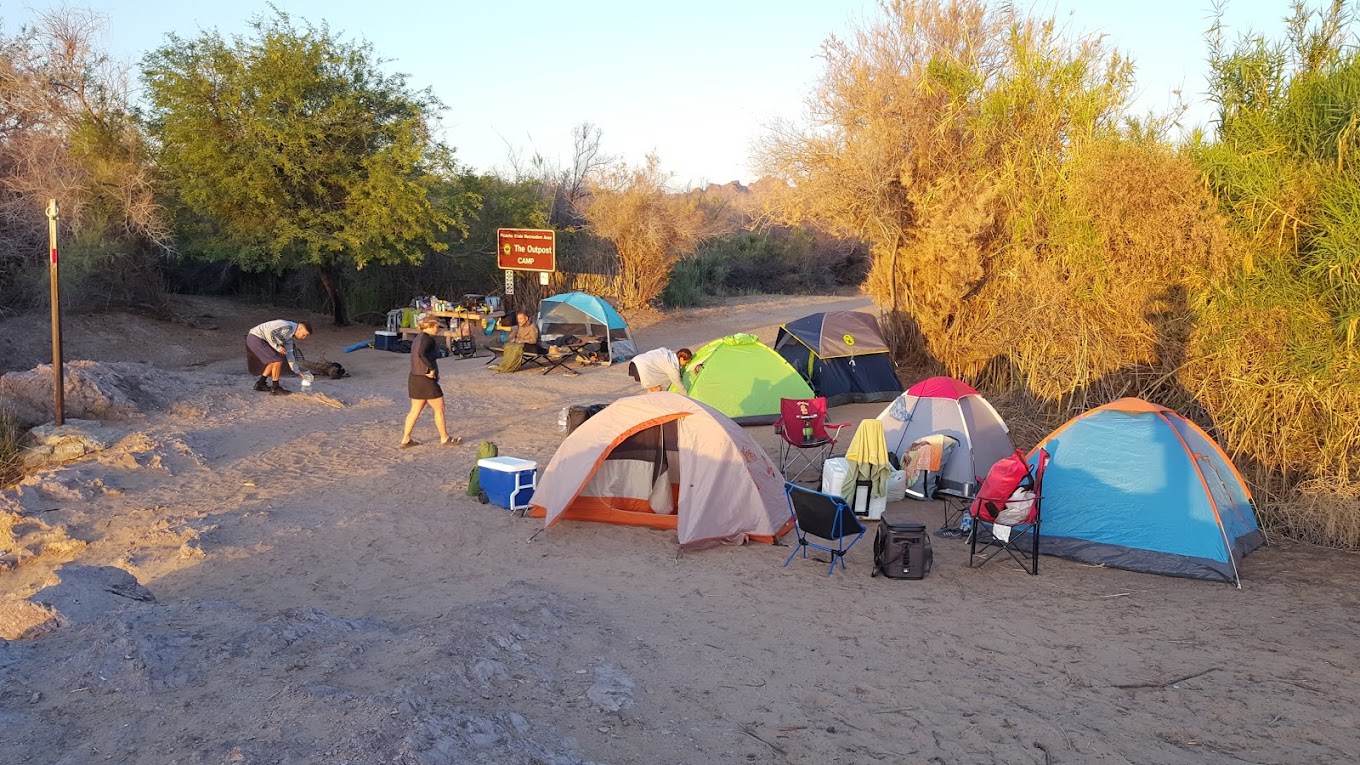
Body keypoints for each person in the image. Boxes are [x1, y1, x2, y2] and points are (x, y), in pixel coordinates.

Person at [400, 315, 461, 449]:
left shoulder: (418, 338)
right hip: (426, 380)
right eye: (436, 327)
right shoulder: (427, 339)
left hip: (415, 378)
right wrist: (432, 369)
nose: (438, 329)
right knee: (439, 409)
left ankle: (406, 438)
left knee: (415, 410)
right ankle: (444, 438)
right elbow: (422, 354)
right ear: (430, 326)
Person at [246, 319, 311, 396]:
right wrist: (277, 347)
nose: (304, 338)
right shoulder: (287, 326)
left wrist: (297, 371)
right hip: (255, 338)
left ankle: (260, 384)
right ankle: (275, 388)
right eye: (304, 335)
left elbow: (290, 355)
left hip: (259, 339)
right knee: (277, 361)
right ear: (299, 328)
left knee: (273, 361)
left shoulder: (289, 339)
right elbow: (269, 332)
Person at [628, 347, 692, 394]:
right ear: (681, 359)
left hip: (636, 361)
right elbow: (678, 384)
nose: (685, 364)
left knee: (652, 389)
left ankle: (648, 404)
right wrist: (686, 395)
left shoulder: (668, 353)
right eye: (686, 362)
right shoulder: (672, 367)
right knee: (657, 389)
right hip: (641, 368)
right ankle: (653, 407)